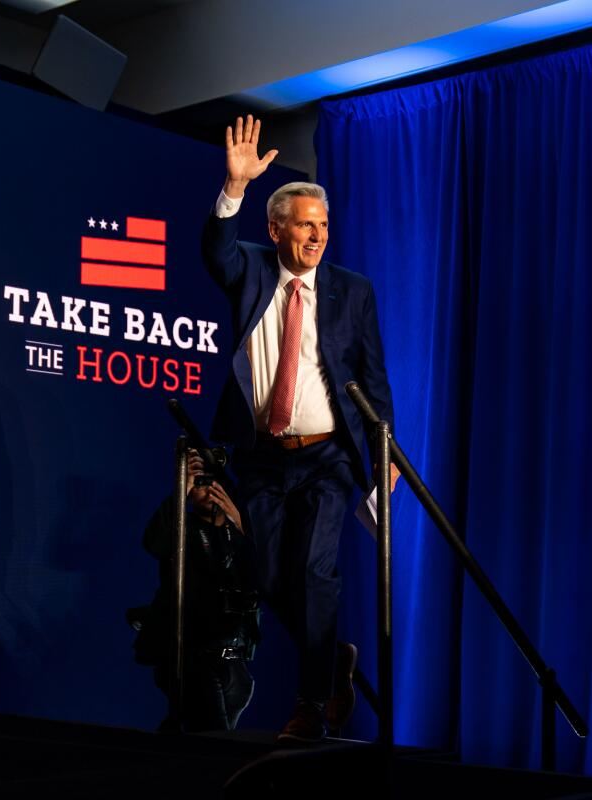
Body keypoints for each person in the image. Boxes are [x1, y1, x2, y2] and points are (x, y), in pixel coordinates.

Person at [201, 115, 397, 743]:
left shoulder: (352, 291)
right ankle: (334, 659)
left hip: (328, 457)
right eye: (305, 224)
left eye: (323, 225)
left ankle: (310, 704)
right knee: (262, 574)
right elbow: (215, 251)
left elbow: (374, 377)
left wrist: (383, 453)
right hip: (262, 454)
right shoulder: (252, 271)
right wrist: (233, 188)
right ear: (276, 228)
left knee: (315, 572)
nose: (317, 236)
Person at [128, 451, 260, 732]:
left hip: (235, 664)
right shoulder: (182, 529)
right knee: (213, 742)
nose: (211, 489)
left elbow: (263, 577)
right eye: (202, 482)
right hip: (193, 658)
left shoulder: (242, 534)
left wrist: (241, 524)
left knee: (190, 738)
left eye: (218, 482)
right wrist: (182, 485)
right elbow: (154, 543)